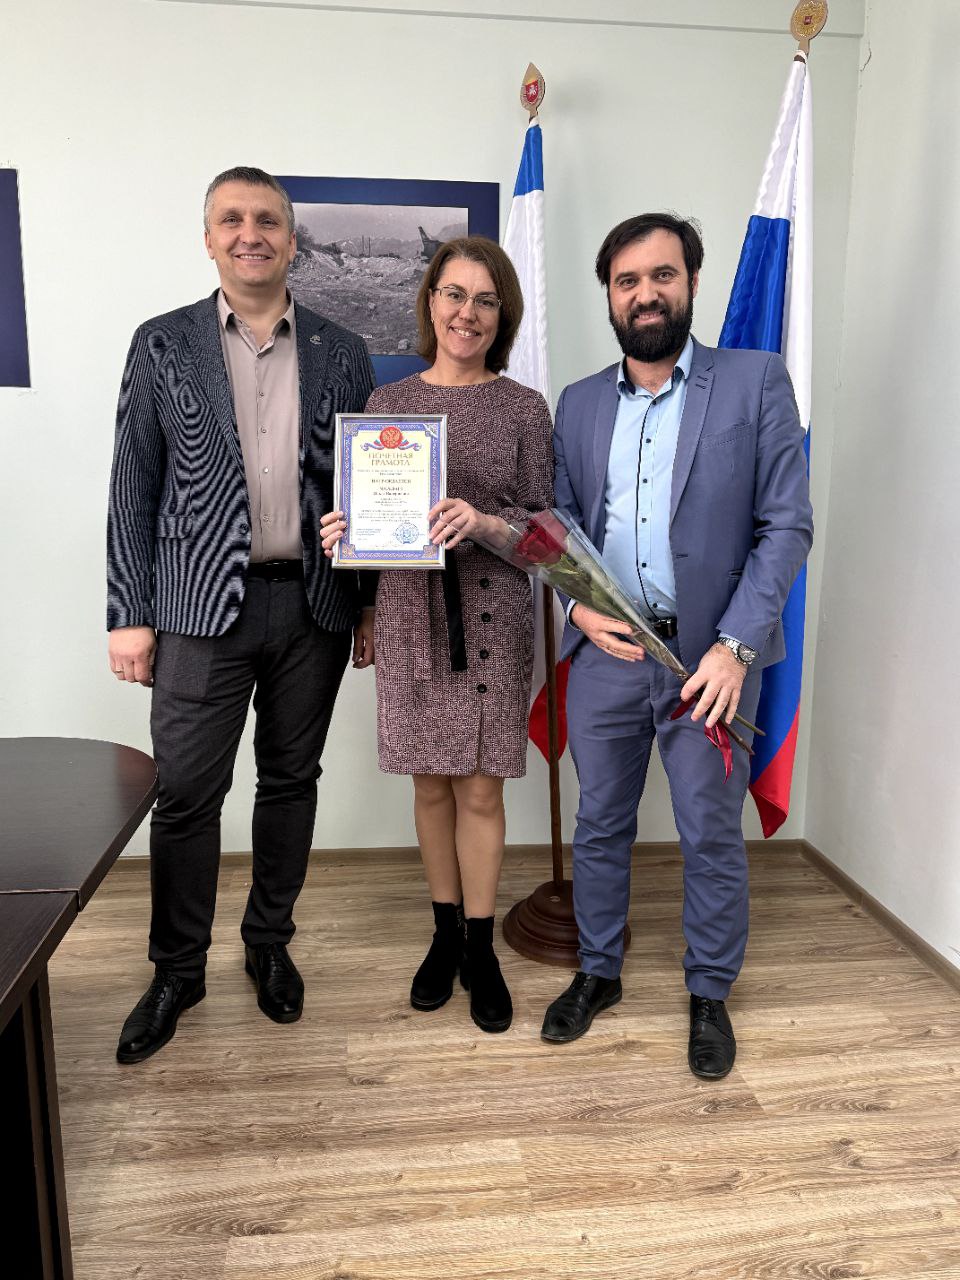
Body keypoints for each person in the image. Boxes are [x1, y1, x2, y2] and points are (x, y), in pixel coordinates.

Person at [107, 166, 375, 1064]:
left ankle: (268, 943)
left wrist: (368, 601)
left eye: (266, 220)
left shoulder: (343, 349)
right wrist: (128, 612)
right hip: (192, 611)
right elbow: (133, 484)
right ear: (209, 238)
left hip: (313, 605)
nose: (249, 233)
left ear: (293, 241)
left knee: (291, 781)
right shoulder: (161, 343)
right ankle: (177, 969)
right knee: (186, 794)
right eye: (231, 219)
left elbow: (362, 491)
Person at [540, 213, 812, 1077]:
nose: (646, 294)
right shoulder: (579, 403)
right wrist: (579, 612)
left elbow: (786, 526)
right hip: (608, 654)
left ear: (692, 282)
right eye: (628, 281)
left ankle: (709, 992)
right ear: (610, 297)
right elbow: (560, 523)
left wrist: (735, 647)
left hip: (712, 663)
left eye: (662, 275)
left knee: (709, 833)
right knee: (599, 823)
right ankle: (598, 970)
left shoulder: (756, 382)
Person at [322, 236, 553, 1033]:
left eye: (486, 300)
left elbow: (544, 535)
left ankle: (481, 948)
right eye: (454, 294)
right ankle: (444, 932)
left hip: (492, 611)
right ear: (430, 301)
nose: (467, 312)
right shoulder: (387, 404)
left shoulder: (525, 407)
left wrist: (482, 521)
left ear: (502, 315)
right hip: (407, 609)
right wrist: (348, 538)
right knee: (428, 782)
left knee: (480, 788)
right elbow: (369, 517)